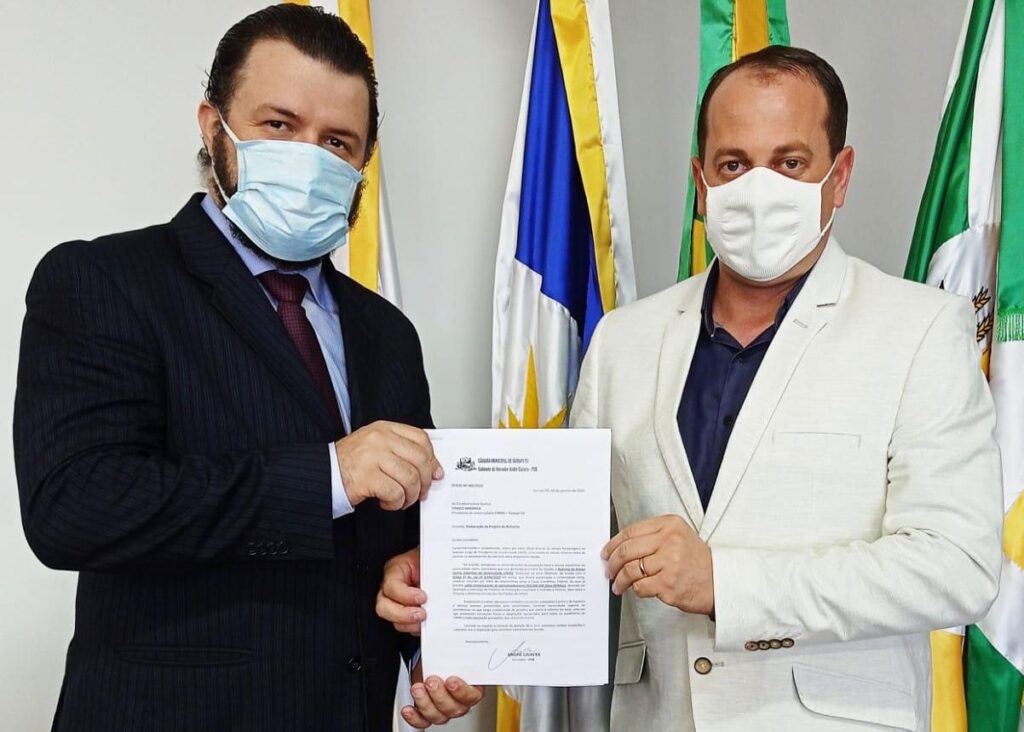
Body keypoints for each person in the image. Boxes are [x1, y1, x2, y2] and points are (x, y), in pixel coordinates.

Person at [377, 46, 1002, 730]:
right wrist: (460, 589)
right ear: (702, 182)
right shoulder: (623, 340)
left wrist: (724, 583)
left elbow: (955, 566)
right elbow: (574, 537)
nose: (759, 188)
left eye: (790, 162)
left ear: (840, 174)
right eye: (733, 164)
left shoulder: (919, 330)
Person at [14, 6, 481, 731]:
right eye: (279, 125)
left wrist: (427, 638)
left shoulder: (387, 332)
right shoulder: (103, 280)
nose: (310, 158)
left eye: (337, 142)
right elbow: (74, 508)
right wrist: (326, 477)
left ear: (362, 165)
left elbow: (394, 538)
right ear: (214, 128)